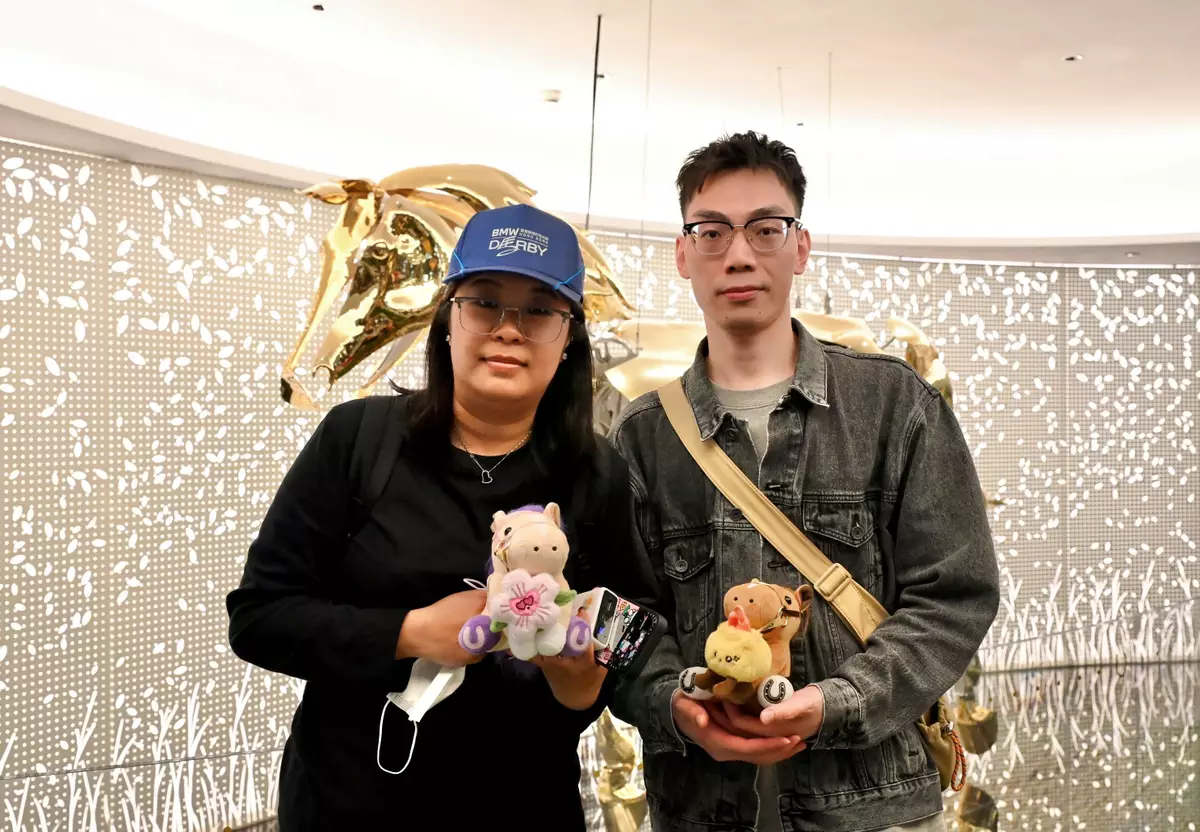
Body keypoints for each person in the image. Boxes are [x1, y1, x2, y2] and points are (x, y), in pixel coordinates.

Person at [609, 132, 1000, 831]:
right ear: (683, 254)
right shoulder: (642, 436)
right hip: (698, 809)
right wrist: (676, 706)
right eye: (711, 231)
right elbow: (624, 617)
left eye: (766, 228)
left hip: (873, 810)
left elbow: (954, 597)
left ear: (801, 246)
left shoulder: (894, 405)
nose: (738, 254)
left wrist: (837, 703)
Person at [227, 203, 657, 830]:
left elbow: (634, 625)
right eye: (485, 302)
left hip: (523, 808)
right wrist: (412, 632)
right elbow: (260, 618)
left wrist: (579, 686)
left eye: (539, 310)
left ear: (568, 339)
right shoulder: (358, 439)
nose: (509, 329)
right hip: (348, 805)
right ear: (448, 320)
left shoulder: (597, 473)